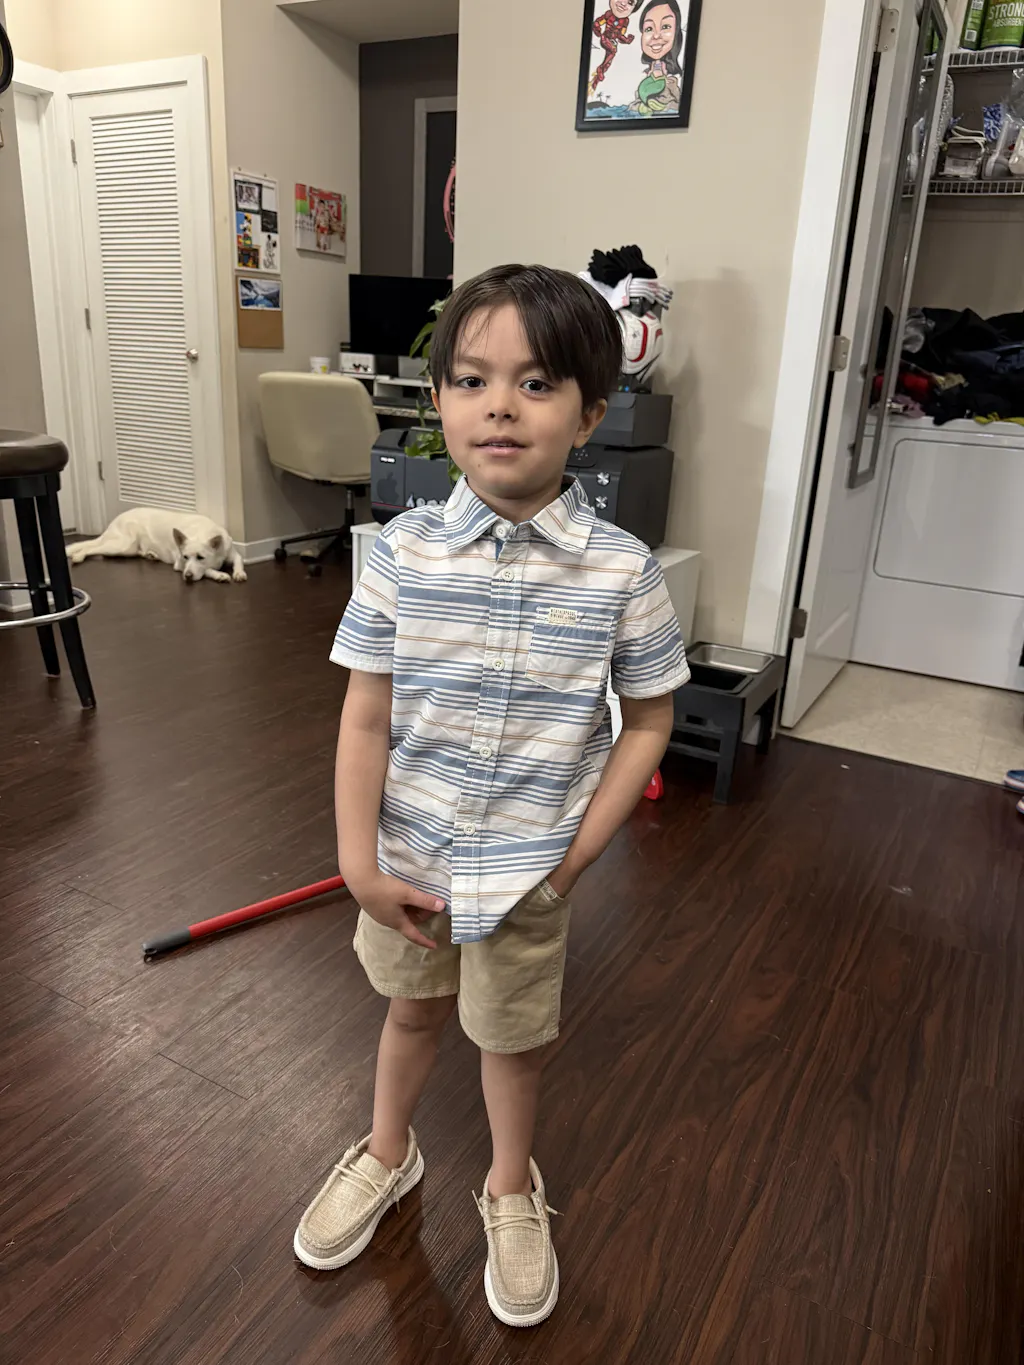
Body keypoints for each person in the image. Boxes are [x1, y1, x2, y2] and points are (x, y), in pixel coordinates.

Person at [294, 264, 689, 1327]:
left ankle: (511, 1185)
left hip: (528, 874)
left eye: (536, 382)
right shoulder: (400, 554)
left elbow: (649, 719)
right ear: (440, 402)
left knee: (512, 1041)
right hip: (409, 860)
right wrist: (357, 861)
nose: (500, 406)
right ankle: (388, 1152)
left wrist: (575, 857)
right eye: (472, 380)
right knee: (410, 1012)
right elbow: (364, 717)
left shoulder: (622, 572)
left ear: (590, 413)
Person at [631, 0, 685, 117]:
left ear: (677, 32)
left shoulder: (675, 80)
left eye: (665, 27)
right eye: (649, 29)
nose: (656, 35)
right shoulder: (642, 76)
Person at [589, 0, 639, 97]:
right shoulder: (609, 14)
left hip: (613, 41)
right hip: (605, 38)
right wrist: (597, 30)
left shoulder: (625, 21)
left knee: (609, 61)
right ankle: (600, 70)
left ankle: (597, 79)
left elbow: (621, 35)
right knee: (613, 51)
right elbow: (598, 22)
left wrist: (627, 40)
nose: (623, 4)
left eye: (630, 2)